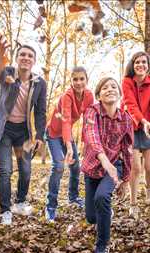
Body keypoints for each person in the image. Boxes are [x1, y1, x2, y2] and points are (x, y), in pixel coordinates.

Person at [0, 33, 47, 225]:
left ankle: (20, 202)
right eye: (22, 55)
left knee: (26, 170)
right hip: (3, 130)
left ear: (34, 61)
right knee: (5, 170)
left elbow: (40, 112)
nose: (26, 58)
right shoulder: (8, 73)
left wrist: (39, 136)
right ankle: (5, 210)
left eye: (30, 55)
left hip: (23, 133)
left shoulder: (39, 83)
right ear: (17, 58)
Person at [81, 77, 133, 253]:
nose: (110, 89)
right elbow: (91, 136)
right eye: (105, 88)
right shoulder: (91, 112)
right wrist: (103, 160)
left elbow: (127, 150)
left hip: (114, 167)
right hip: (93, 167)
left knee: (102, 197)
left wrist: (125, 179)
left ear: (119, 93)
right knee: (91, 217)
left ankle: (103, 244)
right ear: (98, 95)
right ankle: (104, 213)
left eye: (113, 87)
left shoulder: (126, 119)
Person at [45, 66, 94, 223]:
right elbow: (66, 120)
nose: (78, 82)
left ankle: (73, 197)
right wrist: (69, 147)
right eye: (75, 79)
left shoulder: (89, 96)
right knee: (59, 165)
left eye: (82, 79)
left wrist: (87, 144)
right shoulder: (67, 96)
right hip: (53, 133)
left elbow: (87, 121)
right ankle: (51, 206)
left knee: (76, 166)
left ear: (87, 80)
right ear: (71, 81)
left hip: (67, 134)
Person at [121, 51, 150, 219]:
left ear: (148, 65)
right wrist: (143, 121)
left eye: (144, 62)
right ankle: (133, 203)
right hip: (132, 126)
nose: (140, 65)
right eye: (137, 62)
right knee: (136, 168)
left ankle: (149, 187)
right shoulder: (126, 82)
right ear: (133, 64)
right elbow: (130, 104)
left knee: (149, 168)